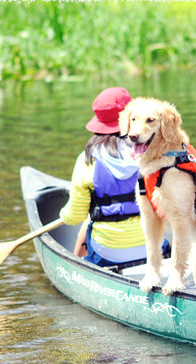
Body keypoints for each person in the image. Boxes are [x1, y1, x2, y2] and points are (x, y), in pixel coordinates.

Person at [59, 87, 147, 267]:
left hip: (108, 252)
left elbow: (74, 217)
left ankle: (77, 266)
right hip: (151, 248)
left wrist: (64, 215)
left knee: (90, 218)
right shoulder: (151, 153)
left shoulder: (86, 160)